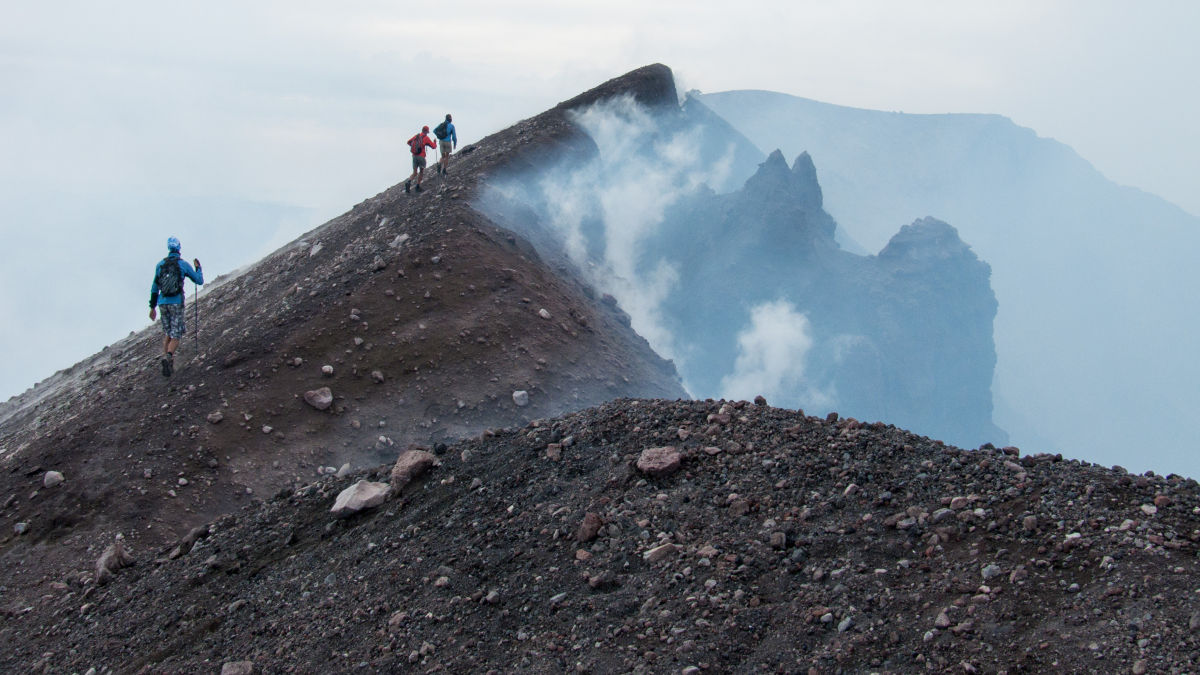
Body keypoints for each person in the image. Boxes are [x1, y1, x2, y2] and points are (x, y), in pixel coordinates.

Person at [149, 237, 203, 376]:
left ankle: (168, 362)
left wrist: (152, 307)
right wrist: (198, 268)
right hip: (176, 302)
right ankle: (169, 357)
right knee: (176, 334)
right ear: (179, 248)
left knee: (168, 333)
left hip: (162, 303)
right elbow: (198, 281)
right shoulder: (182, 264)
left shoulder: (160, 265)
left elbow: (155, 287)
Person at [405, 125, 437, 193]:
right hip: (421, 156)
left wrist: (415, 147)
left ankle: (408, 182)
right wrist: (435, 142)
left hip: (414, 156)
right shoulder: (426, 138)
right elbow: (433, 147)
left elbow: (408, 142)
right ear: (426, 131)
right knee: (421, 172)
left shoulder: (416, 136)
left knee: (415, 172)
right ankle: (418, 186)